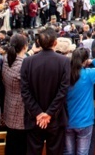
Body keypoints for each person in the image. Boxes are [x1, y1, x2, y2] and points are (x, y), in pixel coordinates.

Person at [21, 27, 72, 155]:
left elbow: (25, 92)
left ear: (37, 42)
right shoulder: (64, 61)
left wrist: (39, 113)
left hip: (35, 118)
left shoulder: (27, 61)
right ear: (55, 42)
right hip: (55, 117)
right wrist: (48, 114)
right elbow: (63, 91)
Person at [66, 46, 95, 155]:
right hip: (85, 121)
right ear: (85, 60)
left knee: (68, 152)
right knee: (83, 152)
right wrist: (93, 60)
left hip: (68, 120)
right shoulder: (88, 74)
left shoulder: (65, 74)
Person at [2, 33, 29, 154]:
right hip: (21, 113)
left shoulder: (6, 59)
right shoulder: (24, 64)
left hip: (9, 108)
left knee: (11, 145)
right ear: (25, 47)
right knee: (20, 147)